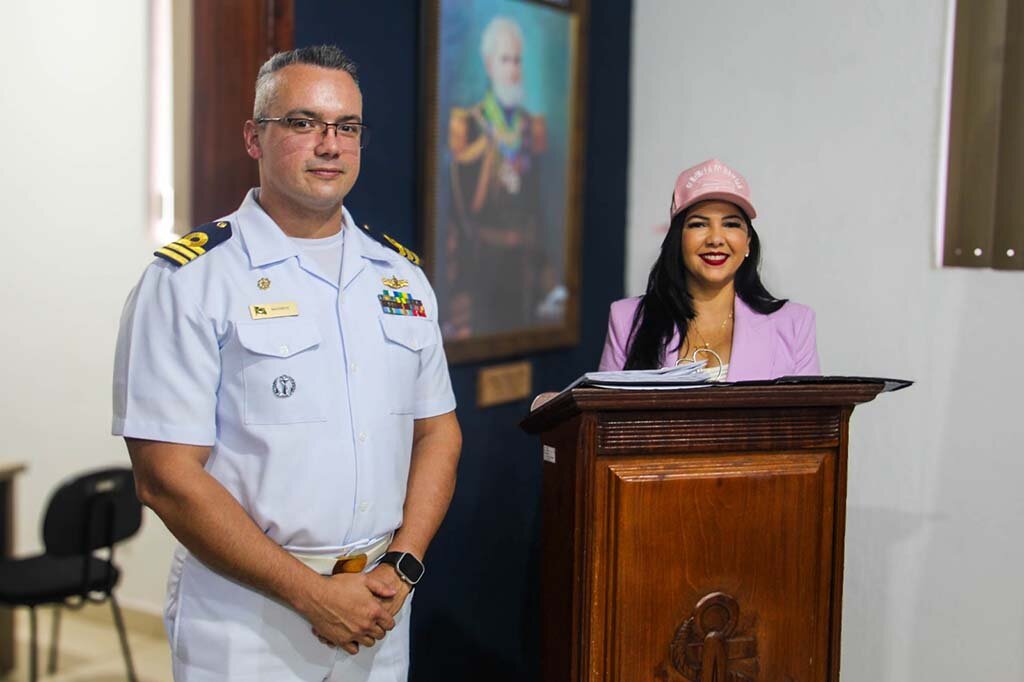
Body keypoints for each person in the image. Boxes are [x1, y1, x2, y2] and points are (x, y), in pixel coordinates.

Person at [112, 45, 462, 681]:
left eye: (346, 127)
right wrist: (313, 594)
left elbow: (438, 430)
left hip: (381, 606)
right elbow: (165, 476)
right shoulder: (191, 280)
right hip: (249, 617)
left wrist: (403, 566)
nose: (329, 144)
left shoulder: (401, 276)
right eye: (303, 123)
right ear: (254, 137)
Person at [599, 158, 820, 380]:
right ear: (678, 239)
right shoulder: (626, 319)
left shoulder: (794, 323)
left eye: (731, 224)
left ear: (748, 242)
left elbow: (811, 414)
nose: (715, 239)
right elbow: (604, 413)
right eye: (699, 224)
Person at [446, 16, 549, 336]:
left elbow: (538, 209)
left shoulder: (532, 128)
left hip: (522, 270)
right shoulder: (468, 125)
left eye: (517, 60)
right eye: (505, 60)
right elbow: (459, 214)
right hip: (482, 265)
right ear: (490, 64)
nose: (513, 69)